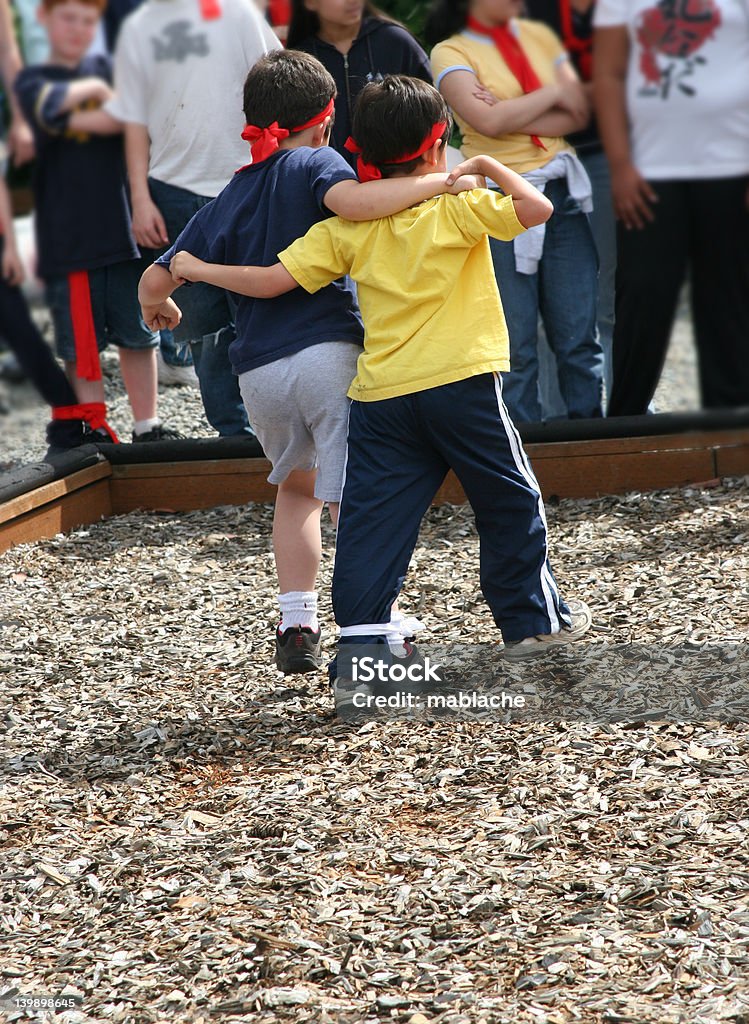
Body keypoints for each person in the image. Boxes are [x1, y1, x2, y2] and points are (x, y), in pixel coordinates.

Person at [163, 75, 593, 716]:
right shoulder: (457, 205)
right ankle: (532, 623)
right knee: (508, 499)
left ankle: (362, 657)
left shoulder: (346, 228)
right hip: (462, 383)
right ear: (438, 142)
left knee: (372, 524)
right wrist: (481, 164)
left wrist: (193, 269)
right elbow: (539, 211)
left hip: (382, 395)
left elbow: (270, 280)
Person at [138, 53, 482, 675]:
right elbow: (354, 204)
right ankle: (372, 617)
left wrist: (160, 309)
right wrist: (442, 182)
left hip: (258, 375)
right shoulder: (317, 162)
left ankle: (296, 616)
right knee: (357, 492)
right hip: (328, 353)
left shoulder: (232, 192)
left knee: (297, 489)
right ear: (325, 123)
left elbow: (153, 278)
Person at [107, 0, 281, 437]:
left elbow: (279, 87)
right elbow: (133, 121)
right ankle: (231, 435)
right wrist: (141, 198)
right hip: (174, 187)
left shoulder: (237, 13)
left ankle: (277, 432)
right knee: (202, 328)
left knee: (262, 312)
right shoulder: (140, 26)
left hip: (245, 181)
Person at [427, 0, 604, 424]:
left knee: (580, 335)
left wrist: (508, 113)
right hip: (497, 200)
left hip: (561, 192)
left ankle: (595, 439)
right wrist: (551, 95)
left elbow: (578, 112)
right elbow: (483, 123)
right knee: (514, 343)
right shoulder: (450, 51)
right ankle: (526, 448)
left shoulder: (541, 38)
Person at [14, 0, 181, 444]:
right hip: (70, 237)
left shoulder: (117, 69)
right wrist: (105, 100)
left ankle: (147, 424)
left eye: (88, 20)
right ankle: (90, 422)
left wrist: (108, 102)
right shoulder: (33, 80)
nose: (77, 28)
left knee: (137, 333)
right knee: (79, 345)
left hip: (122, 227)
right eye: (68, 18)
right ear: (46, 21)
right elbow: (49, 116)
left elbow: (130, 118)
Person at [594, 0, 749, 414]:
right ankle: (625, 425)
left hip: (731, 165)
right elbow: (608, 76)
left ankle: (731, 434)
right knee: (642, 292)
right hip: (649, 170)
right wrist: (621, 165)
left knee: (727, 299)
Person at [524, 0, 616, 413]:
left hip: (614, 157)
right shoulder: (527, 13)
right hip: (535, 168)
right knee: (547, 315)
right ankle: (557, 425)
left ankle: (623, 414)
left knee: (610, 298)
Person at [287, 0, 432, 167]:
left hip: (397, 177)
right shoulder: (301, 61)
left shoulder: (395, 42)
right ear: (311, 3)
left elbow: (434, 112)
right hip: (327, 182)